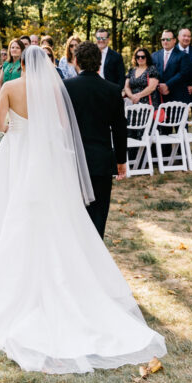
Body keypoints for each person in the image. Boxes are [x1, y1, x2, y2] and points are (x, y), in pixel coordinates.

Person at [0, 45, 166, 373]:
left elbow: (0, 127)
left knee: (0, 213)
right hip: (45, 160)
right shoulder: (55, 90)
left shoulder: (10, 87)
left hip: (16, 155)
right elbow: (60, 127)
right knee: (51, 216)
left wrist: (17, 127)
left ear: (22, 64)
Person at [64, 41, 128, 240]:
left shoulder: (66, 87)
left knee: (73, 211)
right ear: (99, 62)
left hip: (72, 158)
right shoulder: (112, 89)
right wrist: (121, 161)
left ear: (76, 61)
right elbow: (119, 128)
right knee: (99, 213)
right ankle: (96, 253)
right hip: (101, 160)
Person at [151, 29, 191, 104]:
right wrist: (159, 86)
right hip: (159, 97)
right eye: (163, 39)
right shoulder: (154, 55)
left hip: (177, 98)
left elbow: (183, 74)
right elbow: (151, 74)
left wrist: (167, 85)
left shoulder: (183, 55)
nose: (165, 41)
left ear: (174, 40)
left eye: (168, 39)